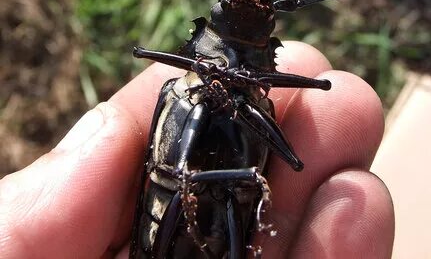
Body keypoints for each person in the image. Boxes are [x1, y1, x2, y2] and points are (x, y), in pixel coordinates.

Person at [0, 41, 394, 258]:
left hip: (213, 205)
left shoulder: (251, 108)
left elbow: (290, 159)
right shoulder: (180, 90)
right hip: (182, 206)